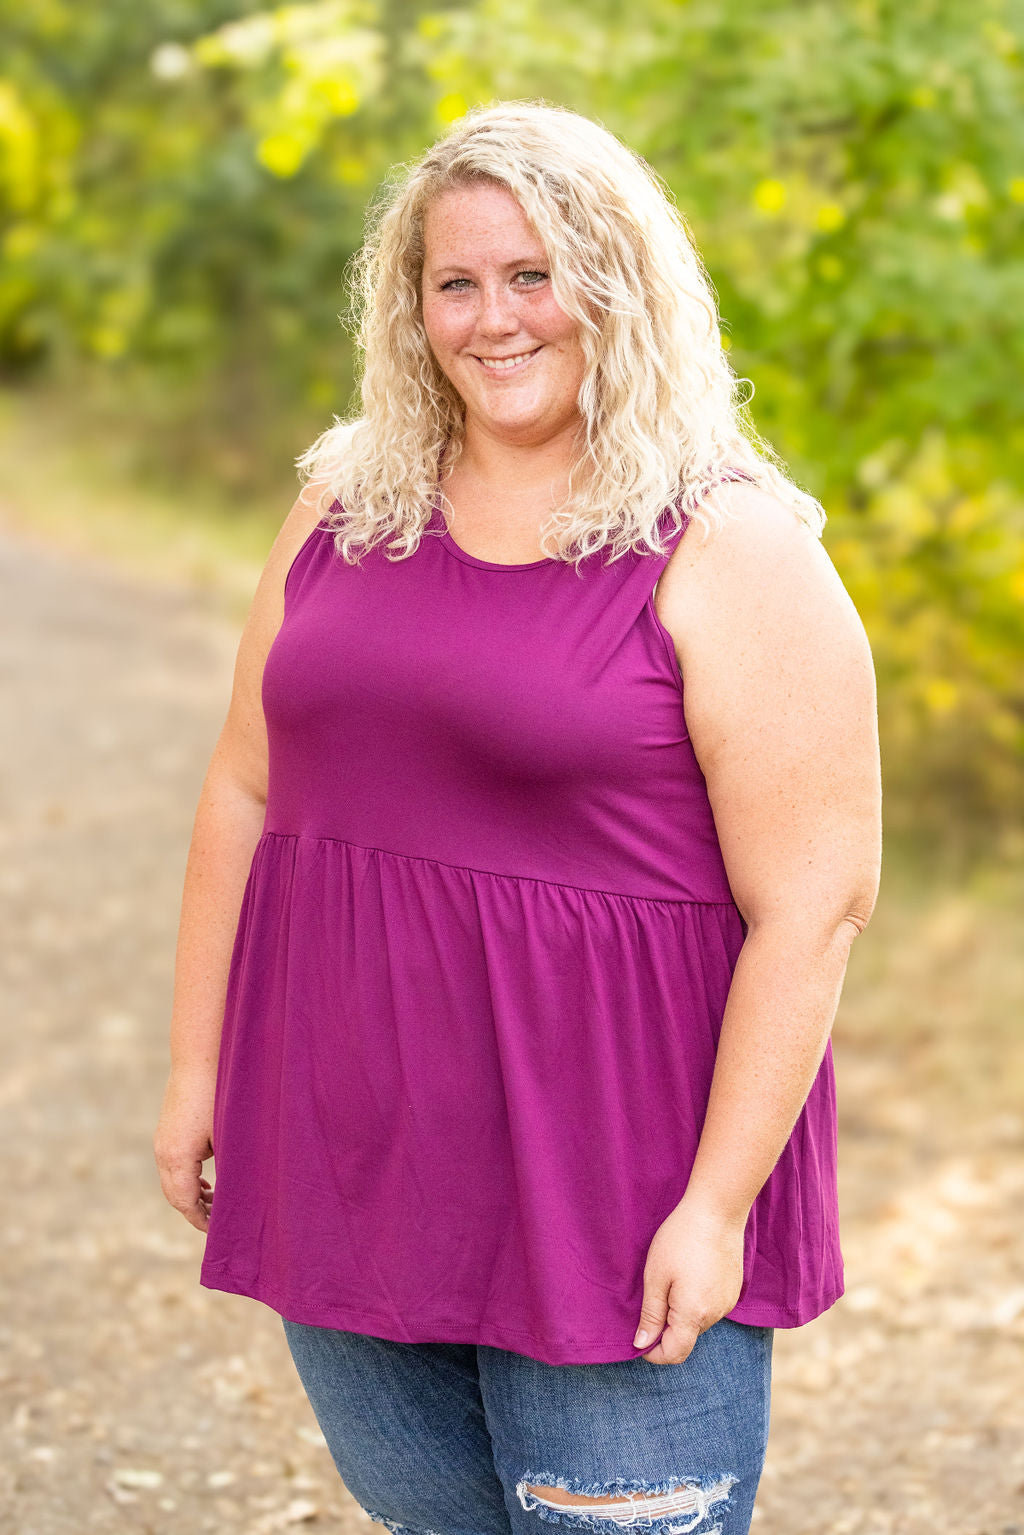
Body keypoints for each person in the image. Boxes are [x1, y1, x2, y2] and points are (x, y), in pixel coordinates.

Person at [154, 100, 881, 1535]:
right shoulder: (344, 503)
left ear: (619, 280)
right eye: (457, 281)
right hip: (349, 1161)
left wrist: (718, 1206)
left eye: (535, 274)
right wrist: (198, 1074)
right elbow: (246, 781)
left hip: (614, 1198)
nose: (497, 319)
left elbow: (818, 906)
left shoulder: (730, 545)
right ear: (411, 305)